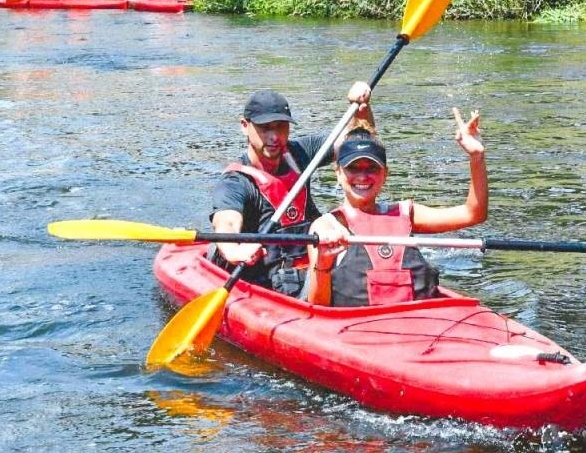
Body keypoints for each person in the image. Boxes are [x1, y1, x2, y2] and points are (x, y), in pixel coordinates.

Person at [303, 111, 487, 308]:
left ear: (385, 174)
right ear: (338, 173)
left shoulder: (406, 213)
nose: (362, 176)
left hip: (419, 321)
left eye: (372, 168)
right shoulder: (325, 226)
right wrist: (323, 262)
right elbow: (318, 305)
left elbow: (473, 213)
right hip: (355, 328)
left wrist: (476, 157)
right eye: (353, 168)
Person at [208, 85, 374, 297]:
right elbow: (226, 223)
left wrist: (361, 109)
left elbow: (360, 144)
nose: (274, 137)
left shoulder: (300, 152)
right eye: (265, 128)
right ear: (244, 126)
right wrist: (234, 251)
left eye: (281, 127)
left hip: (316, 264)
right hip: (269, 280)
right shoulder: (235, 182)